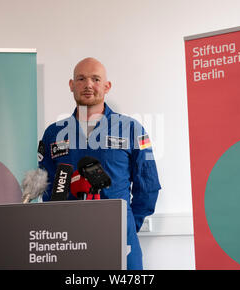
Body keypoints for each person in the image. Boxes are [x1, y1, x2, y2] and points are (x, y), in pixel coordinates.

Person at [37, 57, 161, 270]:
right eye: (81, 79)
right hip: (67, 240)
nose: (88, 85)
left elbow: (148, 186)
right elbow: (45, 186)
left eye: (95, 79)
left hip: (120, 238)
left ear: (107, 86)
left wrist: (127, 223)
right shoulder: (53, 133)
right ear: (71, 85)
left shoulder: (133, 129)